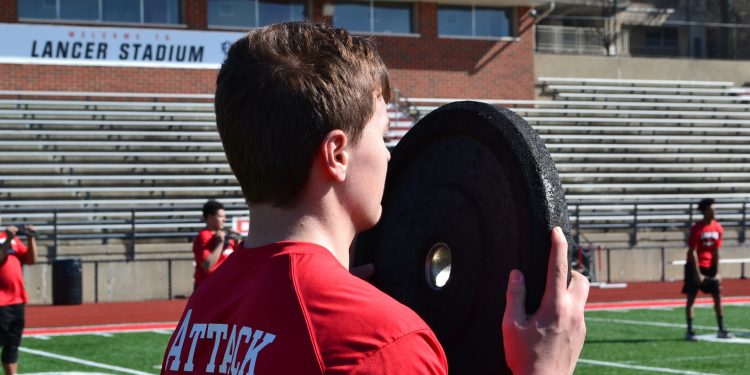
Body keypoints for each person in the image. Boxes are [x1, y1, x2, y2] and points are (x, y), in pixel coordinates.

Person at [162, 22, 588, 374]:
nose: (390, 155)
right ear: (338, 153)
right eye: (383, 136)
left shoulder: (200, 314)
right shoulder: (380, 344)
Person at [682, 198, 733, 341]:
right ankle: (690, 331)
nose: (714, 211)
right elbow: (692, 251)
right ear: (704, 211)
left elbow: (717, 251)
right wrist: (697, 274)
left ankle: (722, 329)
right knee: (691, 299)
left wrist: (717, 272)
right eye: (712, 208)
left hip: (710, 267)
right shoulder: (696, 228)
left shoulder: (718, 228)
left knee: (718, 298)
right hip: (695, 266)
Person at [0, 214, 38, 375]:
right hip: (0, 302)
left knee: (12, 344)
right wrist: (8, 240)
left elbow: (31, 259)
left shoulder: (11, 238)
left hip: (17, 299)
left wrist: (31, 239)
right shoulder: (8, 239)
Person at [192, 200, 238, 289]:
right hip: (208, 288)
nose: (224, 219)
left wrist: (238, 242)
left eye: (225, 216)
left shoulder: (226, 236)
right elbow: (207, 265)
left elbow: (239, 261)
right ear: (210, 217)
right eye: (220, 216)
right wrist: (220, 243)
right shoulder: (204, 236)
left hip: (226, 287)